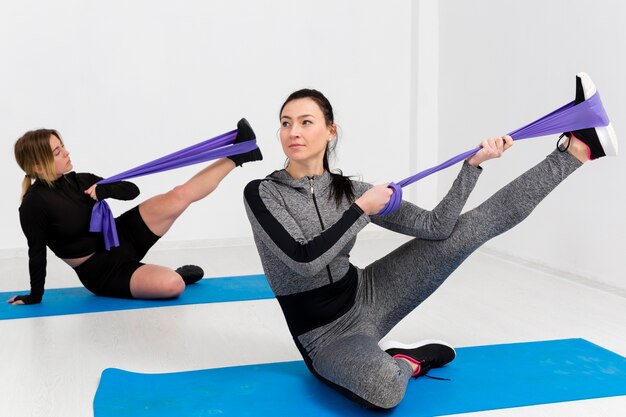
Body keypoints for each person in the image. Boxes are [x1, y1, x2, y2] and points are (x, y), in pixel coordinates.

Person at [243, 75, 617, 409]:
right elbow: (303, 260)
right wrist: (362, 209)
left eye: (306, 122)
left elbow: (436, 226)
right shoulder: (262, 193)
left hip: (370, 292)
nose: (294, 132)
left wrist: (471, 168)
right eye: (286, 123)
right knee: (385, 387)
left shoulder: (352, 190)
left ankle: (577, 150)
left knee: (469, 230)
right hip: (325, 335)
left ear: (330, 131)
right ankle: (407, 361)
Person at [9, 119, 262, 305]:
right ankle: (177, 275)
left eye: (62, 146)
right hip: (102, 271)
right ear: (38, 166)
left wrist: (105, 190)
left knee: (178, 196)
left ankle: (240, 154)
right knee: (172, 286)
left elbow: (132, 189)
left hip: (121, 236)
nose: (66, 152)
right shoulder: (33, 204)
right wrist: (34, 295)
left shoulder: (80, 180)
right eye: (57, 151)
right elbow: (36, 251)